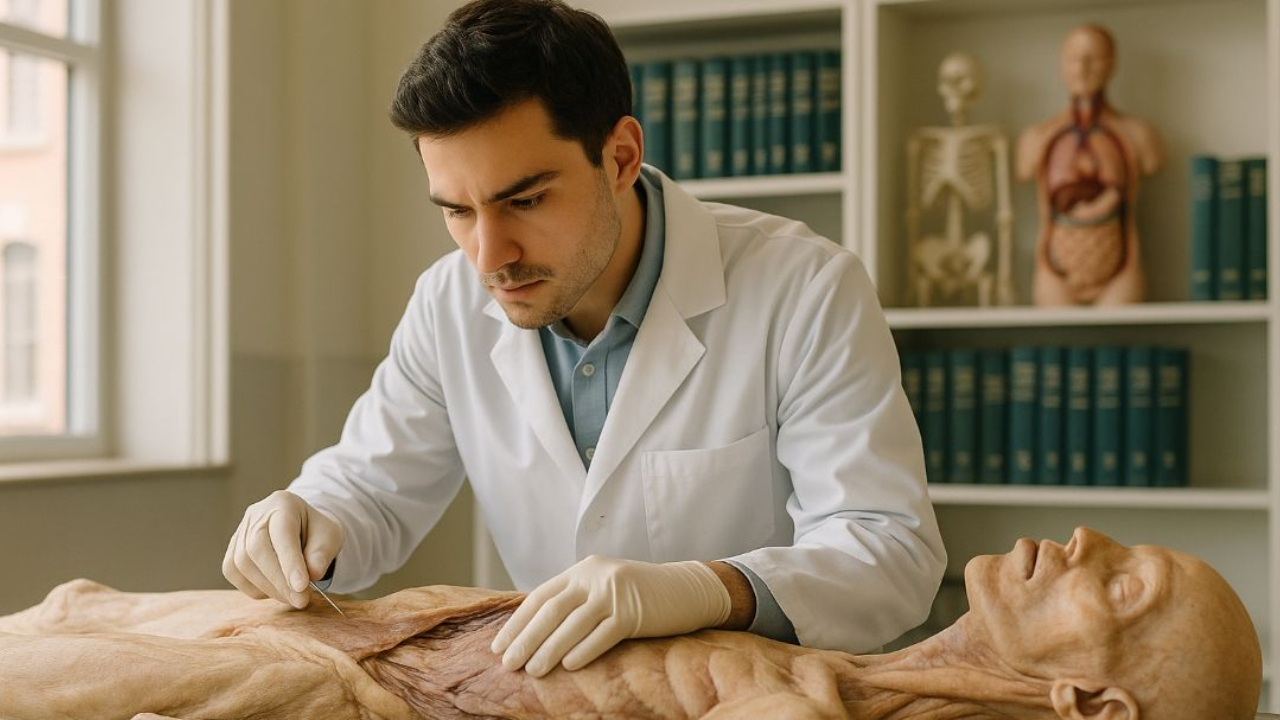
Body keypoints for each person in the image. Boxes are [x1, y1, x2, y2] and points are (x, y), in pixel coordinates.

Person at [223, 0, 945, 678]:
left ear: (621, 156)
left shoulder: (805, 288)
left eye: (525, 201)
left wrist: (707, 590)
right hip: (557, 698)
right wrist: (308, 516)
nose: (488, 256)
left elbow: (891, 553)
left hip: (759, 697)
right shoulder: (448, 302)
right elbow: (370, 487)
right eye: (457, 211)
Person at [4, 528, 1262, 719]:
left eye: (1120, 587)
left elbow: (875, 542)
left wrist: (708, 589)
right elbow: (388, 454)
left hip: (348, 689)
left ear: (1089, 705)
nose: (1087, 543)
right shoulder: (861, 678)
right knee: (64, 606)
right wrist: (318, 511)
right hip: (372, 608)